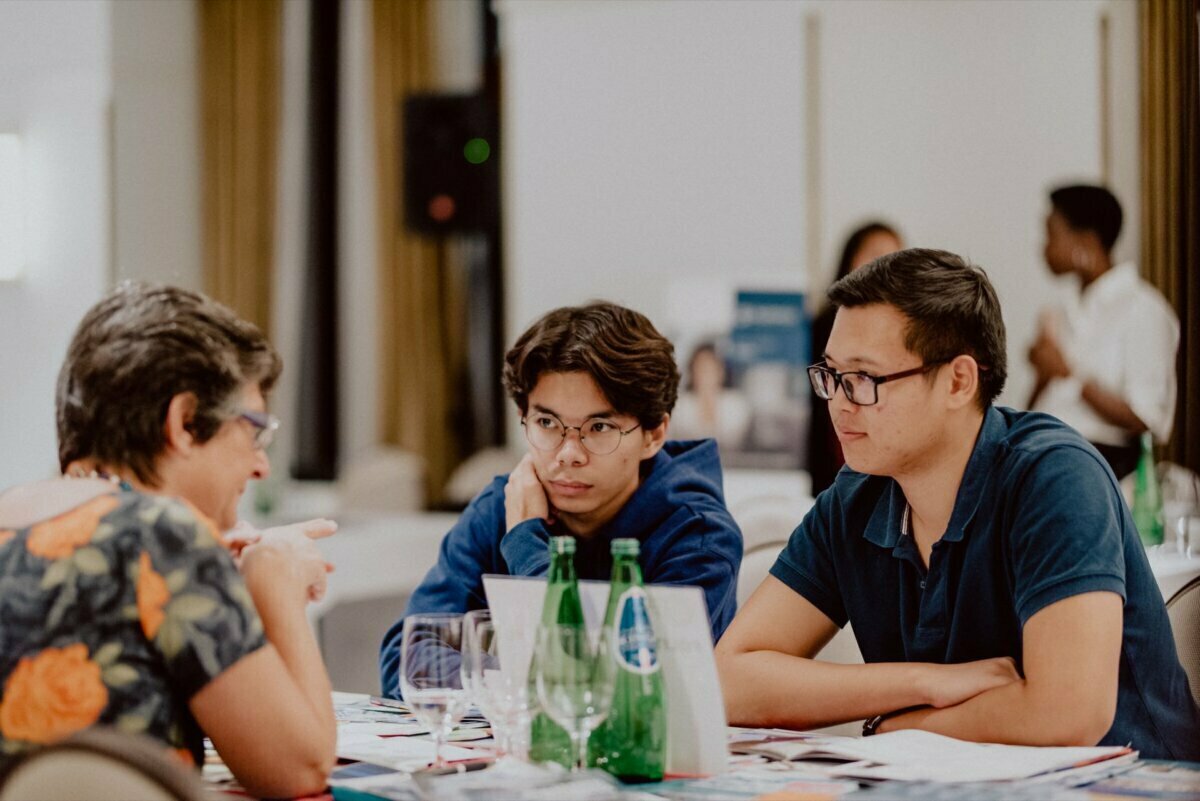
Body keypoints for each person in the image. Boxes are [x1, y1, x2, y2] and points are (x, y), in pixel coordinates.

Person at [715, 249, 1200, 759]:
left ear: (958, 380)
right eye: (830, 375)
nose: (838, 402)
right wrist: (923, 682)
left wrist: (892, 729)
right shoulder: (856, 497)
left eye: (864, 379)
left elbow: (1070, 713)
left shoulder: (1054, 476)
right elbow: (730, 678)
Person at [0, 284, 338, 797]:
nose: (261, 464)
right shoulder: (162, 536)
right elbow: (300, 769)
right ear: (182, 422)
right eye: (254, 431)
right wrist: (277, 583)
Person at [380, 302, 743, 698]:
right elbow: (406, 660)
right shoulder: (503, 504)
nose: (568, 452)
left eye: (599, 426)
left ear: (654, 435)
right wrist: (526, 681)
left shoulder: (698, 535)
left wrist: (525, 542)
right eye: (547, 424)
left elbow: (621, 693)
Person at [1028, 185, 1179, 479]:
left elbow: (1144, 418)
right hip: (1045, 455)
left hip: (1100, 467)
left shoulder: (1142, 310)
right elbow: (1046, 406)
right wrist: (1043, 373)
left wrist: (1067, 374)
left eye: (1052, 234)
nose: (1043, 247)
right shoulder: (1063, 310)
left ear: (1084, 241)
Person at [807, 222, 903, 494]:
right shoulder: (825, 323)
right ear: (851, 258)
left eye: (894, 256)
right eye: (876, 253)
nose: (884, 265)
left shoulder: (904, 329)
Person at [671, 341, 752, 454]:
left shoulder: (736, 404)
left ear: (721, 371)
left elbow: (737, 440)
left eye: (710, 368)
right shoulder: (681, 405)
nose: (705, 374)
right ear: (692, 371)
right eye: (700, 368)